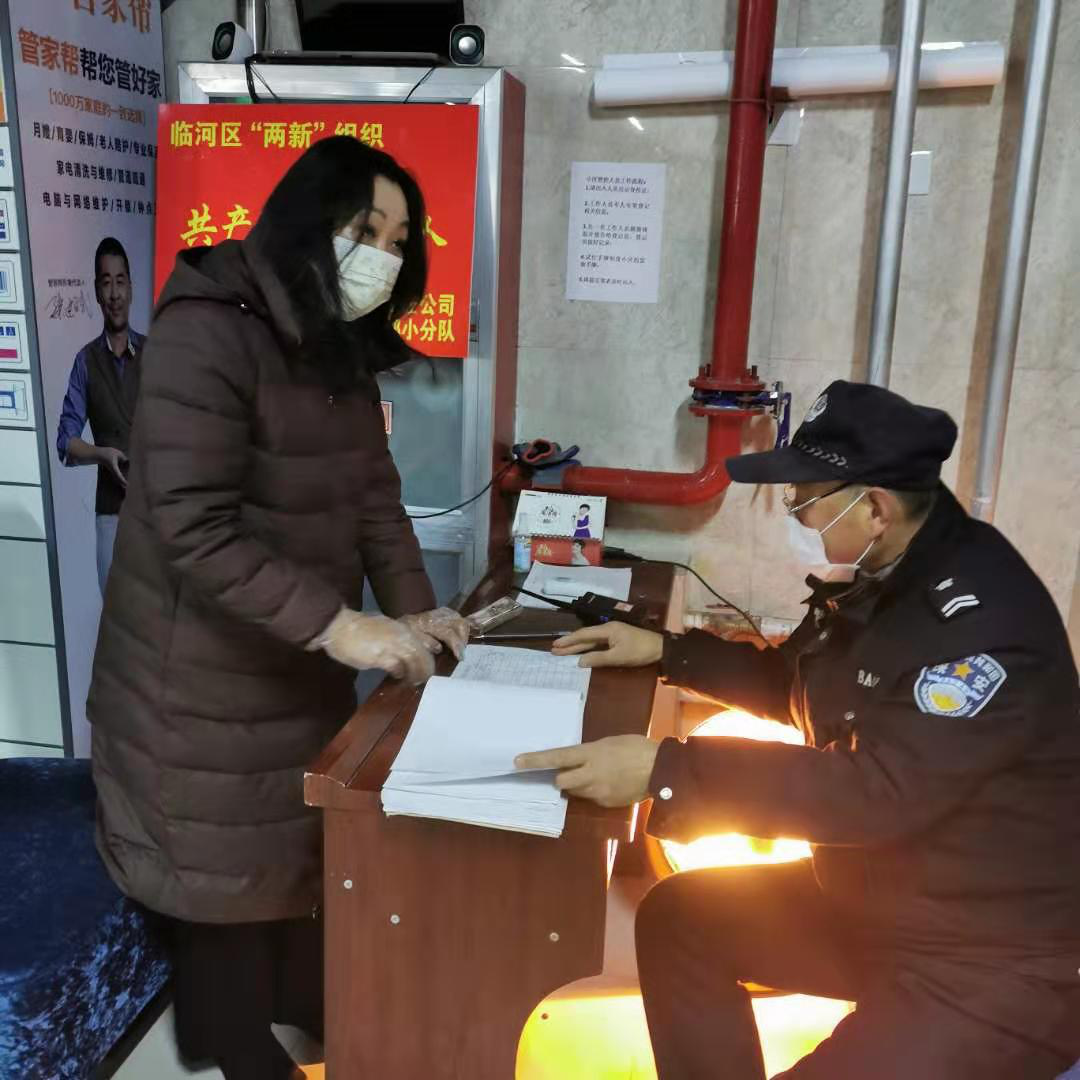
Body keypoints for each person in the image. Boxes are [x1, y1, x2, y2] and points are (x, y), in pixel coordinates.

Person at [517, 381, 1080, 1080]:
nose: (796, 512)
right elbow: (803, 689)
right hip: (884, 900)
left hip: (994, 960)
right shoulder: (892, 570)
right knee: (681, 921)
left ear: (874, 507)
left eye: (806, 498)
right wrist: (669, 653)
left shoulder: (978, 622)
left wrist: (667, 771)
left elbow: (874, 792)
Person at [88, 137, 470, 1080]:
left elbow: (374, 499)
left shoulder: (337, 347)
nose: (383, 256)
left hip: (286, 663)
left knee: (296, 860)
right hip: (195, 685)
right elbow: (193, 525)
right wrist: (341, 626)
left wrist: (417, 612)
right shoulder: (207, 331)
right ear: (308, 223)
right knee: (220, 882)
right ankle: (231, 1041)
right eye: (364, 231)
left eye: (398, 240)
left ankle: (307, 1004)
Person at [56, 237, 144, 595]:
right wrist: (101, 454)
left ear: (131, 288)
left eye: (120, 281)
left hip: (156, 513)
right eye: (106, 283)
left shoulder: (156, 354)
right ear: (96, 291)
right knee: (116, 617)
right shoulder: (85, 361)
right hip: (110, 516)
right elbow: (65, 443)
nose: (114, 293)